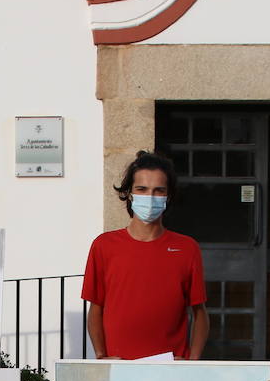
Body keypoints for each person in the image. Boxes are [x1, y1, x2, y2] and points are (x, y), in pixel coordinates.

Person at [81, 150, 209, 360]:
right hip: (120, 366)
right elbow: (96, 308)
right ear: (129, 193)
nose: (149, 197)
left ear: (168, 196)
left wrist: (191, 362)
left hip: (170, 366)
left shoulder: (187, 248)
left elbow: (200, 312)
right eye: (141, 189)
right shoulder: (104, 246)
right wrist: (101, 357)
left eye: (158, 190)